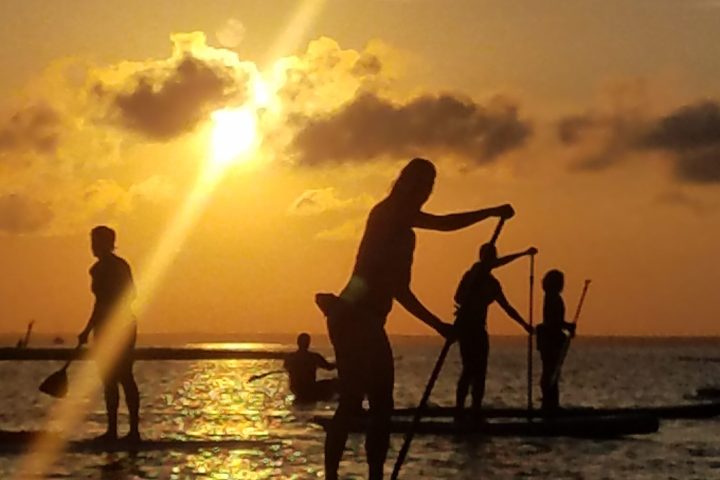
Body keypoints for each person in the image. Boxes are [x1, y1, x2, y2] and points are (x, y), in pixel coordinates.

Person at [316, 157, 515, 480]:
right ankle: (333, 476)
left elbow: (401, 290)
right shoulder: (387, 212)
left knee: (380, 405)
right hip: (353, 316)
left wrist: (437, 325)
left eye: (431, 185)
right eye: (421, 183)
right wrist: (490, 212)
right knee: (359, 401)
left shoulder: (407, 235)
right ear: (405, 182)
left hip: (369, 320)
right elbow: (444, 223)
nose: (426, 191)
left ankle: (375, 476)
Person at [454, 242, 535, 422]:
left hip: (480, 329)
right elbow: (457, 297)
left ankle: (475, 409)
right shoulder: (472, 274)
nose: (493, 262)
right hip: (467, 328)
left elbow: (507, 307)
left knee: (480, 371)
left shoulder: (493, 284)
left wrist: (524, 324)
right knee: (469, 369)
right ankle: (459, 410)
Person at [77, 226, 140, 442]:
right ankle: (114, 430)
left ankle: (132, 431)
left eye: (96, 242)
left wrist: (89, 329)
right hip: (108, 326)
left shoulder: (113, 267)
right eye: (92, 242)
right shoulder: (99, 269)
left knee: (123, 375)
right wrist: (89, 329)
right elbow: (101, 302)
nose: (93, 247)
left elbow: (114, 299)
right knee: (110, 378)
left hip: (119, 326)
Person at [537, 269, 575, 414]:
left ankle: (551, 403)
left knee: (551, 372)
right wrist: (567, 326)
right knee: (550, 372)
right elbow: (554, 321)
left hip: (550, 339)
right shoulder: (553, 298)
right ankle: (550, 404)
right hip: (550, 340)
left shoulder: (551, 297)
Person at [283, 332, 337, 403]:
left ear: (298, 343)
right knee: (335, 383)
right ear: (308, 343)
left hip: (295, 388)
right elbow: (329, 367)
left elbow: (286, 367)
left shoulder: (290, 357)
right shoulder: (314, 357)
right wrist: (340, 363)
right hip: (310, 387)